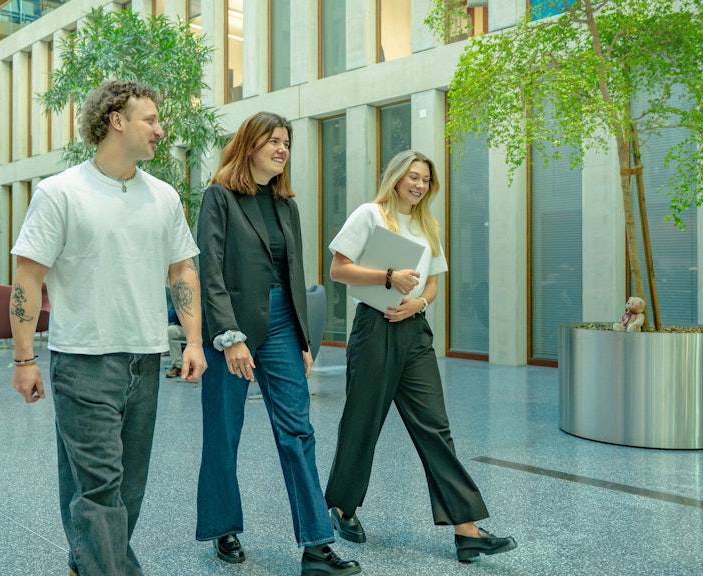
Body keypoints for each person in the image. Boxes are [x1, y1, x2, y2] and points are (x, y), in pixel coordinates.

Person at [8, 79, 207, 576]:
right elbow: (28, 277)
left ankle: (86, 563)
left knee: (126, 488)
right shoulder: (60, 192)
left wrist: (195, 341)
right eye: (152, 119)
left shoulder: (163, 197)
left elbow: (182, 270)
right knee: (99, 487)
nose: (161, 130)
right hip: (83, 360)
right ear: (116, 120)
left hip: (145, 357)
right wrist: (24, 357)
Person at [322, 150, 517, 564]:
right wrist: (388, 278)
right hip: (374, 328)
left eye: (426, 179)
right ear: (395, 178)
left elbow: (431, 285)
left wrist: (419, 305)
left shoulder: (429, 224)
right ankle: (342, 507)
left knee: (435, 426)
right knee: (363, 422)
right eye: (412, 176)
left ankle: (466, 530)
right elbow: (339, 270)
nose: (419, 185)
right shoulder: (370, 214)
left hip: (413, 331)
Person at [194, 111, 361, 576]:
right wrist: (229, 337)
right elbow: (209, 271)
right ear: (249, 145)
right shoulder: (219, 197)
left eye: (286, 142)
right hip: (232, 329)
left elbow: (296, 275)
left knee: (298, 432)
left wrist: (304, 339)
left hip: (284, 324)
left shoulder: (287, 205)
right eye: (273, 140)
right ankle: (222, 526)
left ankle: (316, 545)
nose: (282, 148)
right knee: (224, 433)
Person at [166, 287, 186, 378]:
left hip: (202, 330)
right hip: (184, 329)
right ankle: (178, 366)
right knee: (170, 331)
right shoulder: (180, 296)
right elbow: (171, 318)